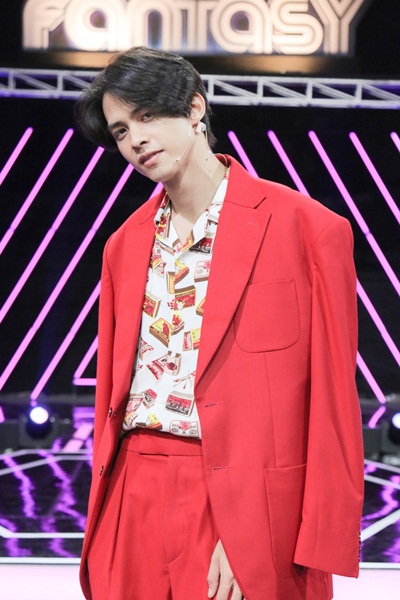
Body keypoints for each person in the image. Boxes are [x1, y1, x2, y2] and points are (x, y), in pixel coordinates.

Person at [74, 46, 364, 600]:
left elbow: (331, 402)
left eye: (147, 116)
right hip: (131, 494)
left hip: (242, 499)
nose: (135, 140)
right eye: (120, 131)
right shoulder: (123, 246)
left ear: (194, 108)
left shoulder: (307, 229)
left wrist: (263, 531)